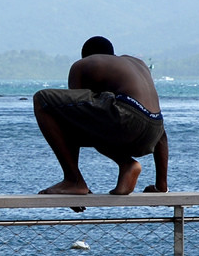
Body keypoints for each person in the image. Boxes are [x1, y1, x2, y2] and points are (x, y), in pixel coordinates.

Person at [33, 36, 168, 201]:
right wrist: (161, 186)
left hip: (125, 117)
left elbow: (72, 118)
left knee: (42, 100)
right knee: (97, 121)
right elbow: (161, 132)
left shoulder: (83, 65)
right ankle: (127, 165)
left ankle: (73, 180)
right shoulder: (138, 65)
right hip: (153, 131)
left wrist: (73, 187)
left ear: (87, 56)